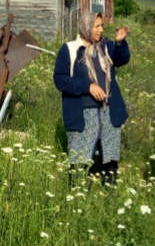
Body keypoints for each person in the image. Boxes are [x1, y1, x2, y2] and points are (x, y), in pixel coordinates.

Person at [53, 12, 131, 185]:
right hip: (82, 112)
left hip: (108, 110)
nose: (101, 30)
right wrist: (87, 86)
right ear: (86, 27)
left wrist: (119, 43)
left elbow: (122, 59)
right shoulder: (70, 49)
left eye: (102, 26)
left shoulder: (105, 46)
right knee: (80, 157)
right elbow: (60, 79)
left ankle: (109, 195)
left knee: (109, 156)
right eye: (97, 26)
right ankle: (77, 194)